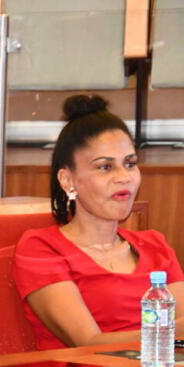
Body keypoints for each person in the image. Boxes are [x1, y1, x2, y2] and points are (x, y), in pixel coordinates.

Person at [13, 94, 184, 349]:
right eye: (105, 167)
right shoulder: (41, 247)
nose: (124, 177)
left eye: (130, 164)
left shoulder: (154, 245)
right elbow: (88, 343)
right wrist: (171, 333)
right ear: (67, 180)